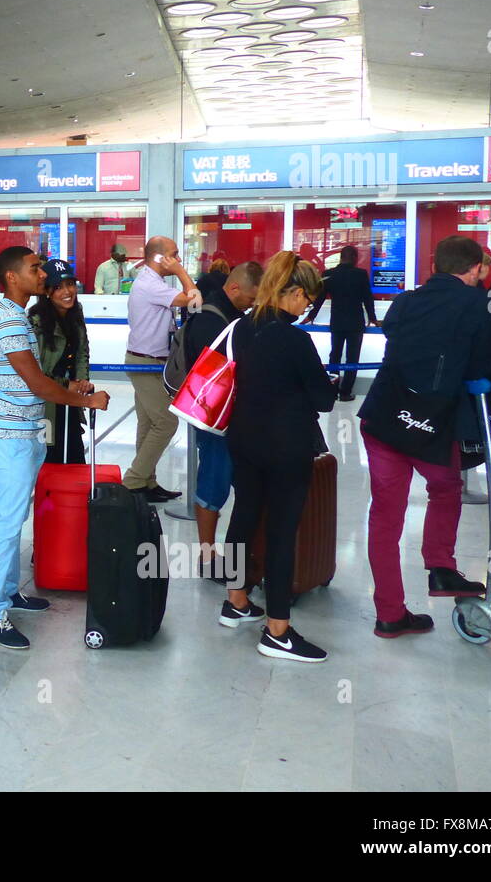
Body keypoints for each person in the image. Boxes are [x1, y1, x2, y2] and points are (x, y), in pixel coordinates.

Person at [359, 235, 491, 639]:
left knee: (385, 517)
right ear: (476, 269)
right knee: (445, 489)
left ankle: (390, 613)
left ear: (437, 265)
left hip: (384, 417)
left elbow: (403, 331)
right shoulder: (479, 305)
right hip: (432, 426)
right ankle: (440, 566)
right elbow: (477, 366)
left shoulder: (407, 299)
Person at [0, 246, 110, 650]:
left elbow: (35, 380)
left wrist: (71, 387)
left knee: (15, 517)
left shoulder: (16, 316)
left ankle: (9, 592)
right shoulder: (10, 321)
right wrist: (86, 400)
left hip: (26, 430)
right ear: (12, 278)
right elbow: (36, 382)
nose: (43, 275)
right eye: (35, 269)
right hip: (10, 437)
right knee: (5, 523)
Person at [221, 252, 337, 662]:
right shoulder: (295, 339)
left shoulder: (243, 327)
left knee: (244, 515)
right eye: (308, 299)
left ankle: (236, 601)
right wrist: (323, 383)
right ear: (295, 292)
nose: (308, 307)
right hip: (286, 444)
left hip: (244, 438)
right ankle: (278, 631)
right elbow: (323, 399)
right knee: (282, 532)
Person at [181, 260, 262, 578]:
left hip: (233, 414)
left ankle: (229, 552)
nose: (253, 305)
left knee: (232, 483)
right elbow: (213, 374)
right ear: (234, 288)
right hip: (214, 415)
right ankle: (205, 554)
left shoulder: (232, 315)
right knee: (213, 482)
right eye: (251, 298)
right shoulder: (210, 319)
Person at [123, 236, 200, 501]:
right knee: (166, 422)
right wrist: (181, 272)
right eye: (174, 254)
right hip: (144, 361)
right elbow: (194, 301)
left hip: (153, 361)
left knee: (148, 423)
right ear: (158, 258)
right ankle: (133, 481)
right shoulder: (149, 284)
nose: (178, 259)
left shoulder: (151, 282)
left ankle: (147, 483)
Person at [28, 259, 94, 465]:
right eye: (58, 287)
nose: (67, 291)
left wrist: (82, 378)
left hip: (70, 400)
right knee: (50, 457)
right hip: (46, 403)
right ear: (47, 291)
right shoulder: (36, 322)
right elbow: (36, 372)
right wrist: (67, 384)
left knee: (74, 454)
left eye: (70, 284)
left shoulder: (76, 313)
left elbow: (82, 349)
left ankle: (72, 498)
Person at [302, 244, 378, 401]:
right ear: (355, 258)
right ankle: (345, 393)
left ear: (341, 257)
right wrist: (373, 318)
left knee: (334, 356)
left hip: (337, 322)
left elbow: (320, 298)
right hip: (355, 324)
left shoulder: (329, 274)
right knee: (352, 359)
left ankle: (332, 390)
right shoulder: (360, 274)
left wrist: (310, 316)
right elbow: (367, 299)